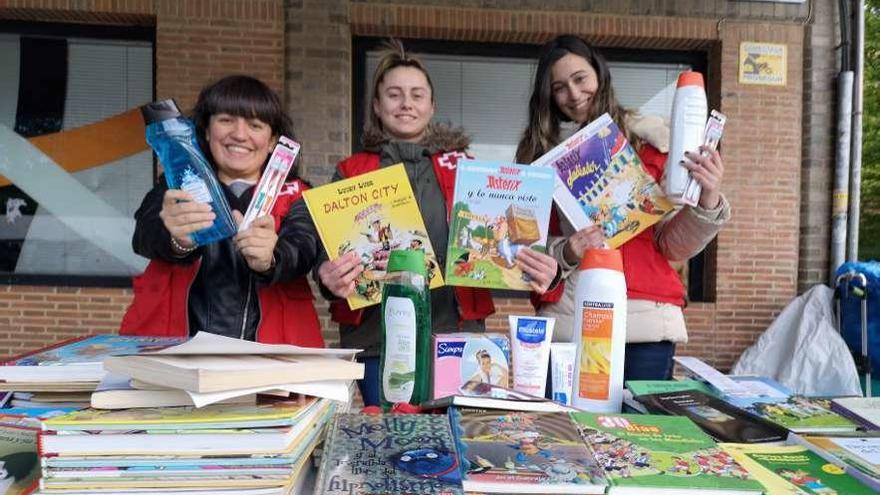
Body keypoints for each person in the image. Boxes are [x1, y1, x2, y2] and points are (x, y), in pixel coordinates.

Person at [315, 40, 559, 406]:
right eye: (394, 95)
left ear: (432, 106)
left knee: (452, 450)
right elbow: (328, 253)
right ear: (378, 107)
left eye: (417, 94)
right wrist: (329, 277)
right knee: (386, 446)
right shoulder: (351, 173)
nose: (406, 103)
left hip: (454, 338)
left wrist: (539, 270)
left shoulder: (469, 169)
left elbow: (503, 246)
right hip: (375, 341)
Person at [517, 35, 731, 381]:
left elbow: (672, 245)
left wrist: (707, 198)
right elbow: (524, 251)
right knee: (564, 433)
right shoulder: (538, 159)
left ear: (599, 74)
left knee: (642, 429)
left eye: (580, 78)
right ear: (548, 96)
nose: (573, 94)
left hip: (644, 319)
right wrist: (569, 250)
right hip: (571, 319)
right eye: (559, 87)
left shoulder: (649, 145)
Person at [120, 75, 323, 347]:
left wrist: (273, 257)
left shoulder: (298, 194)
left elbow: (304, 246)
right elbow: (144, 234)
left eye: (255, 125)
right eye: (226, 120)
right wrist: (177, 239)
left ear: (273, 140)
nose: (239, 134)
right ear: (205, 130)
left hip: (272, 361)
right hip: (176, 355)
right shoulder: (174, 186)